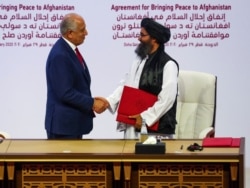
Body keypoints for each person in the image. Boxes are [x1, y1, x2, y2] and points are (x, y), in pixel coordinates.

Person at [106, 18, 179, 139]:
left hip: (156, 130)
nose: (139, 38)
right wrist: (108, 101)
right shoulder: (139, 60)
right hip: (134, 124)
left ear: (154, 38)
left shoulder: (168, 64)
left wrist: (144, 118)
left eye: (142, 35)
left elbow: (167, 99)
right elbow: (126, 85)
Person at [45, 13, 108, 139]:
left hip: (71, 125)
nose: (86, 33)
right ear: (70, 33)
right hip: (64, 128)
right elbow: (65, 92)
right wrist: (92, 103)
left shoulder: (69, 50)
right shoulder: (60, 55)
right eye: (82, 30)